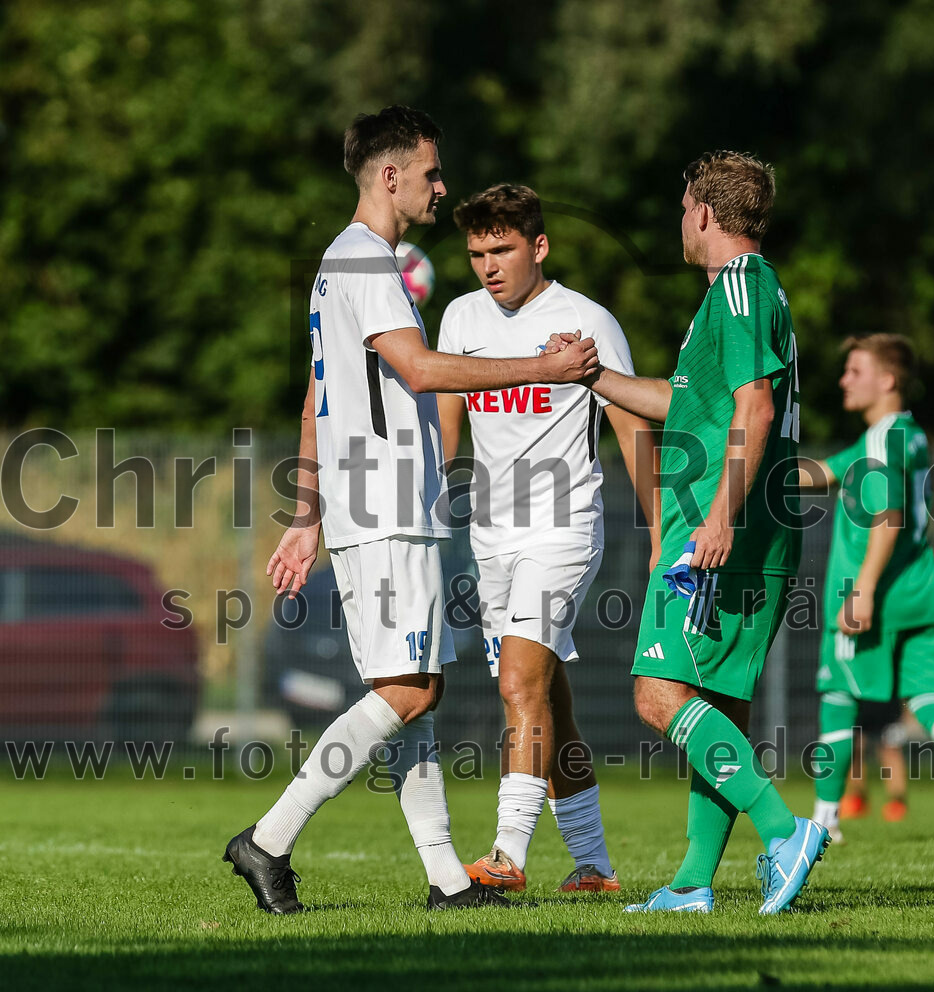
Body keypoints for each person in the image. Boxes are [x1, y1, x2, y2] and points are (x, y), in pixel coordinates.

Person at [222, 106, 598, 913]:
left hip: (374, 503)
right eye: (432, 171)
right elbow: (422, 372)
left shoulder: (342, 265)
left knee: (413, 687)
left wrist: (307, 510)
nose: (442, 185)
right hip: (388, 506)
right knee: (410, 694)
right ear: (390, 176)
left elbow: (318, 396)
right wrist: (544, 365)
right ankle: (269, 839)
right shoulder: (363, 262)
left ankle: (446, 880)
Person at [548, 150, 826, 915]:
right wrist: (591, 376)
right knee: (716, 704)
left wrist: (717, 516)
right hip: (749, 524)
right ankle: (693, 883)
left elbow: (755, 408)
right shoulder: (747, 294)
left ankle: (784, 830)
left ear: (703, 212)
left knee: (659, 694)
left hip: (722, 525)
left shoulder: (738, 287)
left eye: (681, 209)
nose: (680, 223)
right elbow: (684, 404)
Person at [435, 184, 659, 893]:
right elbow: (447, 425)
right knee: (549, 701)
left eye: (502, 249)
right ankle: (594, 867)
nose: (488, 266)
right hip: (492, 537)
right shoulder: (460, 316)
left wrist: (659, 533)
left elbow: (630, 426)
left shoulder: (586, 321)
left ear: (539, 247)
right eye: (476, 253)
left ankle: (506, 856)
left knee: (516, 682)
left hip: (563, 531)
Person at [797, 334, 934, 845]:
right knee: (931, 700)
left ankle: (825, 820)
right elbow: (824, 472)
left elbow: (886, 516)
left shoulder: (880, 442)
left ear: (886, 380)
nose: (844, 379)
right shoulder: (908, 435)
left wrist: (862, 587)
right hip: (920, 589)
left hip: (877, 591)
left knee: (839, 696)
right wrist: (756, 461)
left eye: (854, 370)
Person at [839, 697, 910, 824]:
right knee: (854, 747)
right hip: (858, 697)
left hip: (887, 698)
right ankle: (857, 800)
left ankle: (897, 803)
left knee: (891, 749)